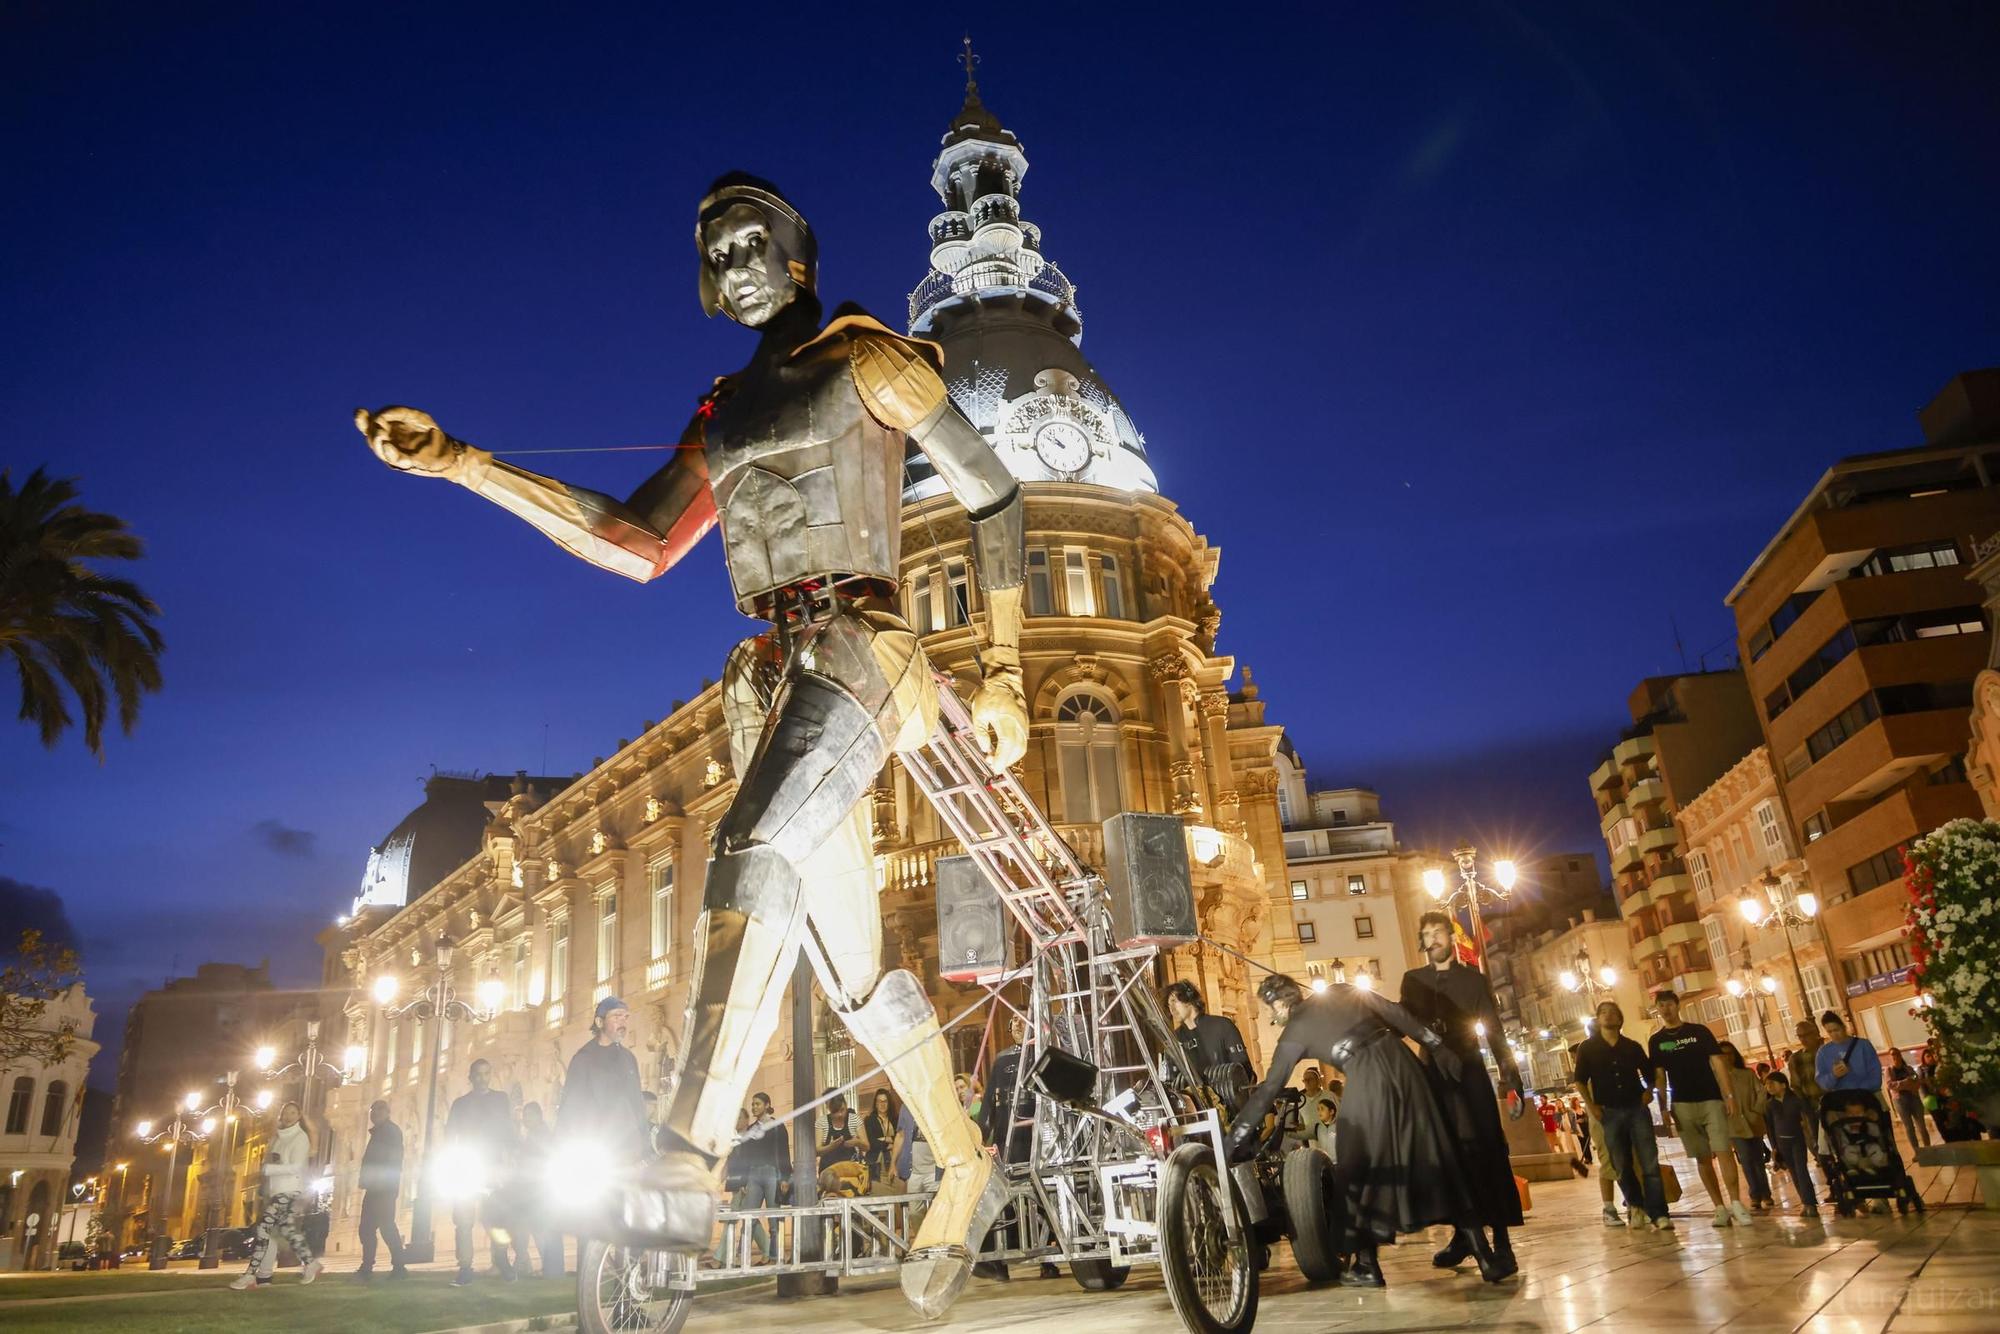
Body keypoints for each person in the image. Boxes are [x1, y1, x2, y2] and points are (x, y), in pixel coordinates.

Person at [359, 170, 1031, 1322]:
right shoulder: (719, 413)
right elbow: (632, 542)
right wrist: (464, 463)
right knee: (855, 971)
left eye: (748, 240)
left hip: (865, 644)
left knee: (750, 845)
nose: (730, 265)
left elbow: (994, 491)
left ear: (801, 254)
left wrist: (1006, 666)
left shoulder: (868, 357)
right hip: (768, 676)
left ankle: (685, 1153)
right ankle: (964, 1160)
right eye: (712, 252)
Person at [1231, 973, 1509, 1287]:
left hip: (1367, 1078)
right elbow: (1395, 1012)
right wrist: (1437, 1047)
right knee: (1439, 1156)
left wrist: (1233, 1139)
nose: (1271, 1015)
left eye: (1271, 1007)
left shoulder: (1294, 1032)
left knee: (1355, 1166)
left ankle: (1367, 1265)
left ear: (1281, 1001)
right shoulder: (1338, 991)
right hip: (1405, 1067)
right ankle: (1486, 1259)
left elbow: (1269, 1090)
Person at [1399, 912, 1525, 1274]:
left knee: (1488, 1149)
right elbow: (1402, 1019)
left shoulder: (1473, 980)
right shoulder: (1414, 981)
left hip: (1469, 1070)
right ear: (1422, 942)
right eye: (1427, 934)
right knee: (1447, 1154)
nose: (1434, 938)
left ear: (1451, 938)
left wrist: (1511, 1076)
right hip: (1435, 1075)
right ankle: (1463, 1237)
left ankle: (1502, 1241)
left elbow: (1494, 1030)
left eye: (1439, 932)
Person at [1648, 989, 1754, 1228]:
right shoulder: (1657, 1041)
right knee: (1702, 1157)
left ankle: (1736, 1203)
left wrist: (1728, 1095)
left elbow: (1718, 1063)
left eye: (1669, 1004)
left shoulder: (1699, 1032)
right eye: (1661, 1005)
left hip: (1710, 1099)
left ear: (1677, 1006)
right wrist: (1664, 1107)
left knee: (1724, 1151)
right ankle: (1719, 1207)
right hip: (1682, 1104)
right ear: (1658, 1010)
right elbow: (1659, 1075)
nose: (1666, 1009)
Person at [1572, 1000, 1669, 1231]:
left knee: (1649, 1161)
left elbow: (1648, 1073)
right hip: (1608, 1111)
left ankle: (1659, 1213)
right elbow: (1579, 1079)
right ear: (1598, 1019)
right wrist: (1592, 1106)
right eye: (1602, 1013)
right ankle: (1635, 1206)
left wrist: (1649, 1092)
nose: (1607, 1016)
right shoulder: (1587, 1048)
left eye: (1612, 1013)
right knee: (1621, 1163)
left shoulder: (1632, 1047)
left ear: (1619, 1019)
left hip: (1636, 1108)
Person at [231, 1100, 321, 1289]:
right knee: (287, 1230)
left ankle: (250, 1275)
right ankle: (311, 1264)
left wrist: (269, 1169)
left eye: (292, 1113)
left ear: (299, 1116)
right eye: (285, 1113)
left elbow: (296, 1167)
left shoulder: (300, 1137)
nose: (288, 1116)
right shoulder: (278, 1138)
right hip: (277, 1190)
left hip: (289, 1190)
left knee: (263, 1229)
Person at [446, 1058, 520, 1286]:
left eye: (486, 1073)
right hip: (468, 1165)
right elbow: (450, 1136)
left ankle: (501, 1259)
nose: (482, 1078)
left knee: (497, 1218)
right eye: (477, 1074)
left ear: (490, 1075)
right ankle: (465, 1267)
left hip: (493, 1167)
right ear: (471, 1077)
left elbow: (509, 1132)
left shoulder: (500, 1099)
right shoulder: (460, 1104)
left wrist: (509, 1161)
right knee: (464, 1219)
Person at [559, 997, 652, 1165]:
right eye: (616, 1017)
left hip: (627, 1151)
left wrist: (644, 1147)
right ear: (599, 1021)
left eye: (625, 1017)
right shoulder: (583, 1059)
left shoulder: (628, 1058)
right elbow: (570, 1107)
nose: (623, 1022)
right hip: (594, 1152)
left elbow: (637, 1103)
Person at [1163, 979, 1253, 1103]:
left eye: (1174, 1001)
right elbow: (1171, 1081)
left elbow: (1244, 1071)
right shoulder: (1175, 1039)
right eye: (1169, 1005)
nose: (1171, 1008)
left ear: (1189, 1000)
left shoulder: (1222, 1026)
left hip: (1231, 1105)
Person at [731, 1092, 789, 1265]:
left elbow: (784, 1152)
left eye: (757, 1104)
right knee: (749, 1217)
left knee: (773, 1218)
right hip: (754, 1175)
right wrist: (743, 1181)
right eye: (753, 1104)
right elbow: (745, 1158)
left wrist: (785, 1177)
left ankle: (773, 1256)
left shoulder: (777, 1126)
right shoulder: (751, 1129)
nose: (754, 1107)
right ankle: (742, 1257)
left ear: (766, 1104)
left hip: (772, 1174)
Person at [355, 1100, 409, 1280]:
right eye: (373, 1110)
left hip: (384, 1186)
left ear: (388, 1112)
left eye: (379, 1110)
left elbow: (391, 1159)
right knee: (367, 1227)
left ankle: (399, 1266)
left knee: (386, 1226)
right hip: (375, 1187)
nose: (375, 1113)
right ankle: (367, 1265)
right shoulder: (379, 1132)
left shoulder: (390, 1131)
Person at [1718, 1040, 1773, 1211]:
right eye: (1723, 1054)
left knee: (1758, 1159)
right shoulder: (1717, 1079)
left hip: (1752, 1122)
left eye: (1730, 1053)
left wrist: (1756, 1110)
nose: (1727, 1057)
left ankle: (1766, 1193)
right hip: (1734, 1125)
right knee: (1746, 1160)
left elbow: (1761, 1092)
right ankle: (1755, 1194)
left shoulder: (1747, 1074)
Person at [1762, 1071, 1820, 1216]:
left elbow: (1807, 1119)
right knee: (1794, 1173)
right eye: (1766, 1084)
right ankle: (1805, 1203)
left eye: (1771, 1083)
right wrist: (1774, 1147)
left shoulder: (1796, 1100)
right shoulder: (1770, 1105)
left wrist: (1813, 1138)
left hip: (1797, 1140)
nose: (1768, 1087)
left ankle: (1810, 1203)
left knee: (1801, 1170)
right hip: (1782, 1144)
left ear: (1783, 1085)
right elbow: (1770, 1127)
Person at [517, 1101, 564, 1277]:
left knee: (543, 1230)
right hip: (539, 1190)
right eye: (524, 1116)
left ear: (538, 1116)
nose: (524, 1120)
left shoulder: (540, 1136)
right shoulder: (536, 1135)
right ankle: (550, 1268)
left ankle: (551, 1268)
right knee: (541, 1229)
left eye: (528, 1116)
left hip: (540, 1190)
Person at [1814, 1011, 1883, 1095]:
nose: (1834, 1034)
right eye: (1830, 1032)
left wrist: (1858, 1090)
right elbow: (1822, 1082)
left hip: (1867, 1095)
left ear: (1843, 1027)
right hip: (1842, 1099)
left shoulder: (1863, 1045)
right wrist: (1834, 1075)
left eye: (1836, 1030)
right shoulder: (1823, 1052)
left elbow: (1875, 1075)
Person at [1887, 1048, 1932, 1150]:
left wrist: (1907, 1084)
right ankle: (1917, 1151)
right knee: (1909, 1127)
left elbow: (1916, 1079)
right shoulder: (1889, 1071)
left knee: (1921, 1125)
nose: (1895, 1057)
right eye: (1892, 1055)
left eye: (1896, 1054)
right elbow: (1890, 1085)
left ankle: (1928, 1149)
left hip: (1913, 1097)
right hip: (1900, 1101)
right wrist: (1905, 1083)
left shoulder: (1908, 1068)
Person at [863, 1089, 901, 1194]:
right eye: (879, 1101)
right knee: (879, 1196)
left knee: (900, 1191)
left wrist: (884, 1139)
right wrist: (890, 1144)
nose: (882, 1104)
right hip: (877, 1165)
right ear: (875, 1103)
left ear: (889, 1103)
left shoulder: (895, 1119)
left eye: (885, 1101)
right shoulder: (869, 1120)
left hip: (895, 1162)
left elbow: (901, 1137)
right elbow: (872, 1143)